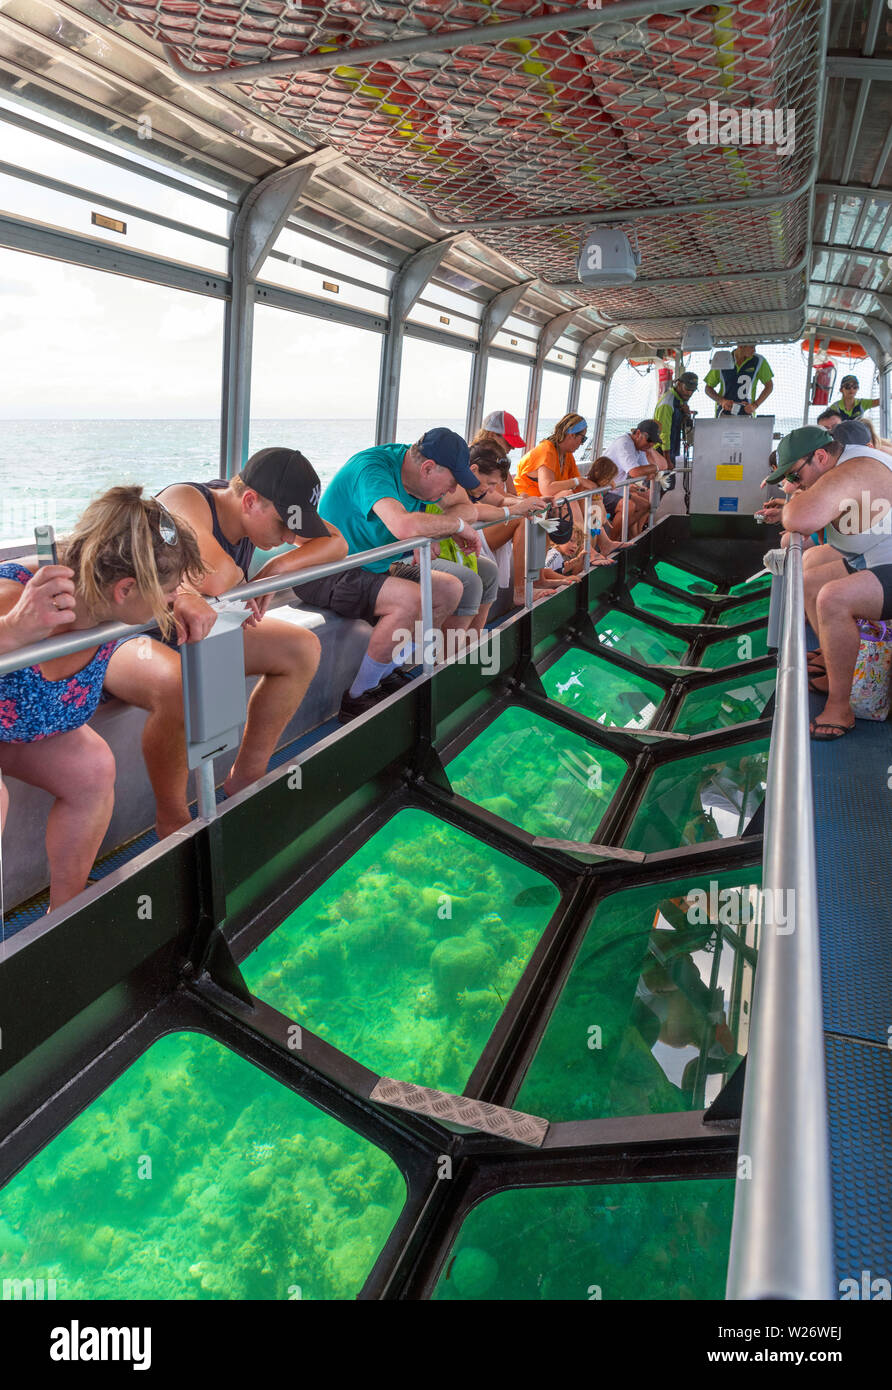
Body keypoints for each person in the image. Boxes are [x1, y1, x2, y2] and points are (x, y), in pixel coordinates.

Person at [107, 448, 342, 837]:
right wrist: (246, 578)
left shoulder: (257, 518)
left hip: (200, 624)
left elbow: (336, 543)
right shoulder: (185, 500)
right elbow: (213, 577)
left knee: (302, 649)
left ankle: (245, 780)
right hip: (132, 632)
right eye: (285, 525)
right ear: (250, 500)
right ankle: (173, 821)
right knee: (178, 687)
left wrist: (276, 567)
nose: (289, 537)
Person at [0, 487, 206, 909]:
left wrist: (183, 597)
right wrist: (12, 631)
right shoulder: (13, 594)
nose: (173, 596)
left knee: (92, 768)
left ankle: (65, 915)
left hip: (15, 727)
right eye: (169, 588)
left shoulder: (105, 601)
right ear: (126, 589)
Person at [295, 428, 523, 721]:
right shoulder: (374, 470)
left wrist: (435, 528)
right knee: (412, 600)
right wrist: (451, 527)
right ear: (428, 468)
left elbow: (466, 508)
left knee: (449, 590)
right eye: (451, 483)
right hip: (328, 569)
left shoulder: (418, 474)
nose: (452, 491)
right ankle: (358, 697)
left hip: (372, 565)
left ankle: (388, 671)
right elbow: (405, 526)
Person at [766, 424, 892, 740]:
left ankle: (840, 708)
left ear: (820, 457)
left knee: (833, 598)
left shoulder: (851, 469)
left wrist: (794, 496)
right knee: (811, 582)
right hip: (876, 558)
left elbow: (799, 519)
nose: (792, 483)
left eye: (794, 476)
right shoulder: (846, 463)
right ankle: (830, 658)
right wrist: (801, 490)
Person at [602, 420, 663, 539]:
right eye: (650, 440)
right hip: (603, 491)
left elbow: (648, 473)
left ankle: (631, 537)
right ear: (638, 433)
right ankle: (612, 542)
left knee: (645, 505)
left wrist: (650, 470)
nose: (651, 445)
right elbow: (635, 472)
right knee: (629, 506)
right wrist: (654, 467)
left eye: (654, 443)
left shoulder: (639, 448)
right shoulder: (624, 444)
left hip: (617, 490)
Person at [704, 344, 774, 417]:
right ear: (740, 346)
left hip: (747, 414)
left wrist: (755, 405)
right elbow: (708, 388)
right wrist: (722, 401)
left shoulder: (759, 361)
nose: (754, 350)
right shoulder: (723, 360)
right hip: (723, 414)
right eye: (752, 347)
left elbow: (769, 386)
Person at [653, 371, 698, 481]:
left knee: (667, 485)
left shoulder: (680, 401)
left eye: (692, 391)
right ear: (678, 384)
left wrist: (686, 414)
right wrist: (667, 459)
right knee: (658, 485)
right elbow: (664, 433)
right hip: (660, 451)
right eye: (687, 389)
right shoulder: (667, 403)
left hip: (671, 449)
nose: (689, 393)